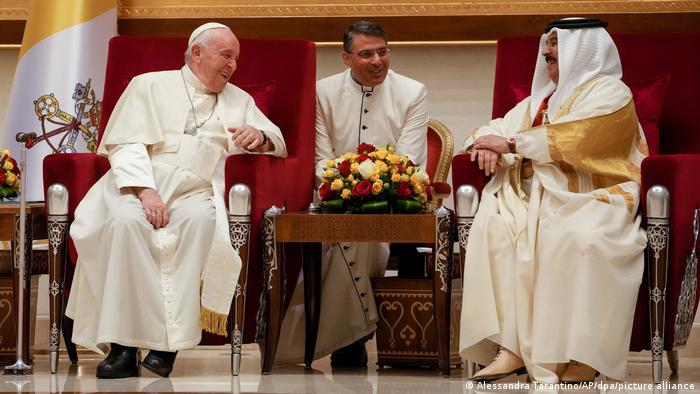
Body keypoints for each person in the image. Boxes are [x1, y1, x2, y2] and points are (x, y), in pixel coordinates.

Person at [65, 22, 287, 378]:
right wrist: (145, 190)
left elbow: (277, 139)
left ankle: (167, 346)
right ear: (197, 52)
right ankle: (123, 348)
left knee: (200, 223)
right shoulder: (149, 84)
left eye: (236, 59)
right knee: (125, 224)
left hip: (198, 188)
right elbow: (126, 144)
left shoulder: (240, 100)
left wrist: (258, 135)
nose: (233, 66)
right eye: (226, 55)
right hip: (138, 183)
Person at [458, 18, 647, 383]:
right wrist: (481, 145)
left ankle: (581, 354)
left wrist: (512, 144)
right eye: (546, 44)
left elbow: (577, 137)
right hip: (537, 195)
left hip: (594, 194)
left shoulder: (610, 93)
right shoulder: (540, 100)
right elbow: (496, 126)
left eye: (555, 44)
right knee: (497, 227)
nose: (546, 52)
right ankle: (510, 348)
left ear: (583, 48)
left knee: (579, 237)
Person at [273, 20, 428, 367]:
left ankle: (351, 336)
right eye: (366, 54)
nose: (378, 61)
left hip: (391, 200)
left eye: (383, 52)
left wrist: (381, 187)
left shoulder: (413, 91)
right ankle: (355, 333)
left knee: (366, 232)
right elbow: (319, 157)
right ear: (346, 58)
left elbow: (411, 158)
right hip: (332, 199)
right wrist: (341, 189)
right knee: (350, 230)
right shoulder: (321, 92)